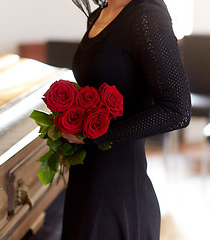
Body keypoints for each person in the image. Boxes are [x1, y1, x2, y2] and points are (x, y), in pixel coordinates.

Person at [60, 0, 191, 239]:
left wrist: (99, 134)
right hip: (85, 178)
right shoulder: (100, 14)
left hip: (118, 188)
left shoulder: (146, 16)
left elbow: (178, 111)